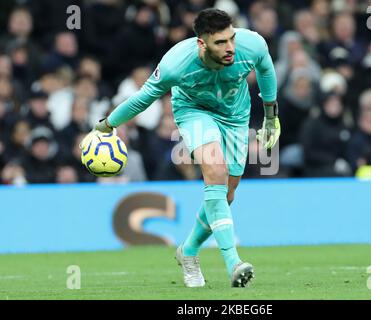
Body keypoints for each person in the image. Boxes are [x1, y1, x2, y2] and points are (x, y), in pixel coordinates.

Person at [92, 9, 280, 288]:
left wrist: (270, 116)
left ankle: (189, 251)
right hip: (194, 112)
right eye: (220, 43)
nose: (229, 48)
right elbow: (143, 98)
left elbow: (265, 68)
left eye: (231, 39)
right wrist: (106, 125)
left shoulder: (251, 44)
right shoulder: (176, 64)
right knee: (215, 170)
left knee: (226, 194)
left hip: (235, 115)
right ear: (201, 44)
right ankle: (233, 263)